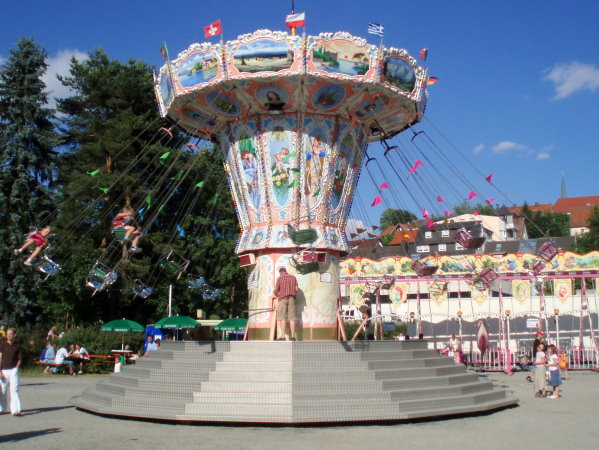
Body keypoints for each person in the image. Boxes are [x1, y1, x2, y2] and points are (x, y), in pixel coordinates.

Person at [0, 328, 22, 415]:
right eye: (7, 334)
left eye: (10, 334)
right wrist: (0, 370)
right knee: (3, 390)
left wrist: (16, 368)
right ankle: (1, 409)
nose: (9, 336)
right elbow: (0, 358)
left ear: (14, 335)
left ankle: (15, 410)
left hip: (13, 370)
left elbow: (19, 359)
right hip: (4, 370)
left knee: (14, 390)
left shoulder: (17, 346)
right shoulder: (2, 345)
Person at [273, 267, 298, 341]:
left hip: (282, 299)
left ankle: (283, 337)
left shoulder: (280, 278)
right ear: (285, 271)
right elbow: (296, 289)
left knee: (283, 318)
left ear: (280, 272)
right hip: (292, 299)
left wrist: (276, 295)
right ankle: (293, 337)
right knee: (292, 318)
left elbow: (276, 290)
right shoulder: (293, 277)